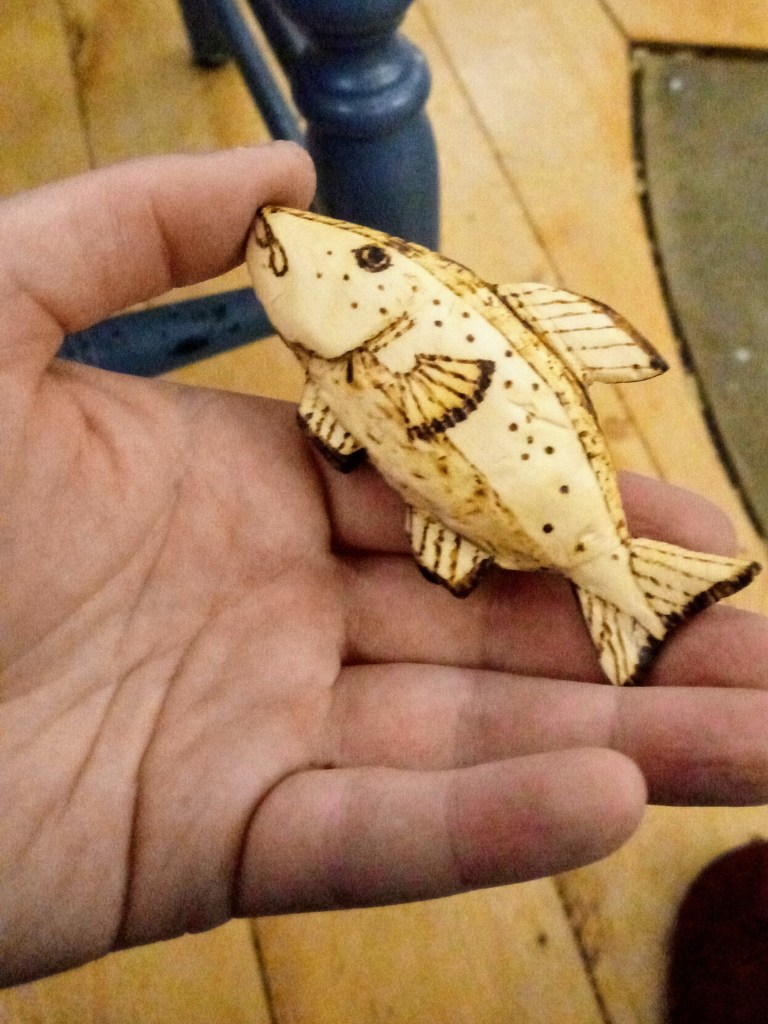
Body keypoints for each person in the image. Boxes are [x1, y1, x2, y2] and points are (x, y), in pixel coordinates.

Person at [2, 141, 768, 989]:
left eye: (370, 261)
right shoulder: (335, 379)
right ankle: (626, 589)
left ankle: (626, 585)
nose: (307, 259)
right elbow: (342, 430)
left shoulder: (428, 334)